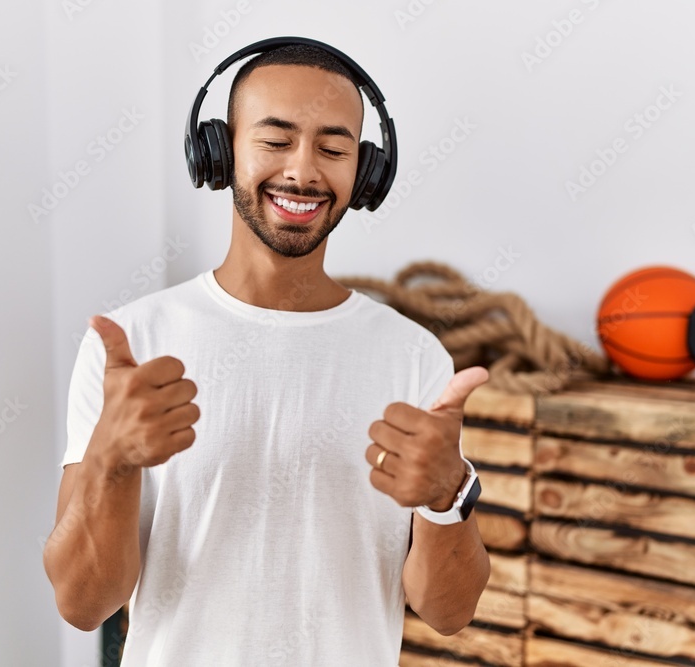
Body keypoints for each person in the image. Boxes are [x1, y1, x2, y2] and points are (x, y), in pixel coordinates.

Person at [43, 40, 491, 666]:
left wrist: (449, 497)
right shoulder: (132, 346)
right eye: (275, 140)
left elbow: (449, 613)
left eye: (333, 149)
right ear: (220, 150)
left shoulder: (413, 358)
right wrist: (111, 463)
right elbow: (82, 602)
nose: (303, 172)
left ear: (364, 173)